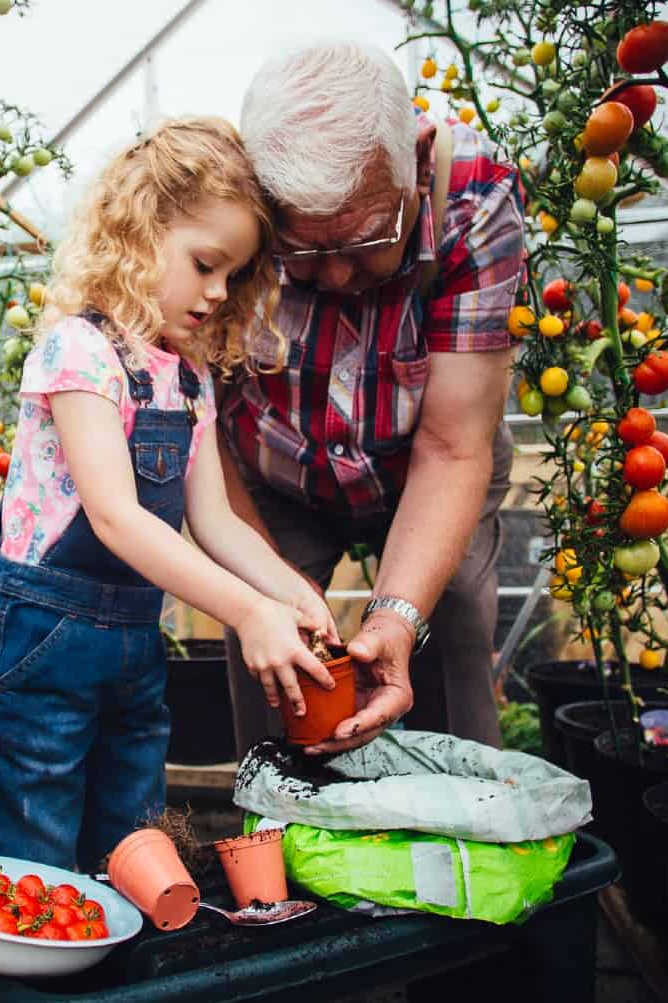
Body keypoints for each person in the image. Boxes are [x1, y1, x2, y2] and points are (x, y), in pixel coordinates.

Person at [0, 117, 340, 869]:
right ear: (141, 232)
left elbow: (215, 521)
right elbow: (114, 517)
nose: (217, 292)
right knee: (32, 856)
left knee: (134, 847)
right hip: (43, 644)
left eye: (232, 276)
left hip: (133, 648)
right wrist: (245, 610)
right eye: (205, 263)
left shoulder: (188, 376)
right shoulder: (81, 350)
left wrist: (292, 593)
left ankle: (118, 974)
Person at [218, 41, 526, 757]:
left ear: (416, 160)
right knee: (273, 655)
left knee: (451, 625)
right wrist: (269, 591)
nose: (333, 275)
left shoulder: (477, 198)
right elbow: (201, 429)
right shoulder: (224, 200)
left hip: (425, 459)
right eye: (300, 250)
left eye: (363, 241)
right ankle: (278, 836)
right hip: (276, 472)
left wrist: (394, 616)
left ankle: (455, 831)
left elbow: (454, 447)